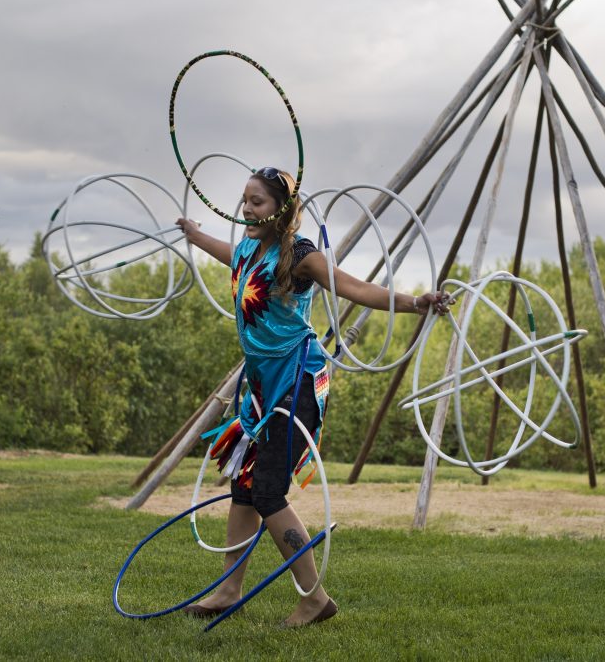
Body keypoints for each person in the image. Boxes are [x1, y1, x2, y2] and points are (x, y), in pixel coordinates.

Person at [175, 168, 448, 627]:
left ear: (282, 208)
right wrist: (194, 233)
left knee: (266, 491)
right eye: (243, 200)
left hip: (296, 383)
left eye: (257, 201)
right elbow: (226, 254)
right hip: (261, 387)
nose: (246, 209)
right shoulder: (247, 249)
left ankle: (315, 597)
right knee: (244, 486)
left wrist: (413, 302)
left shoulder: (299, 256)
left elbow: (356, 288)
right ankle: (228, 589)